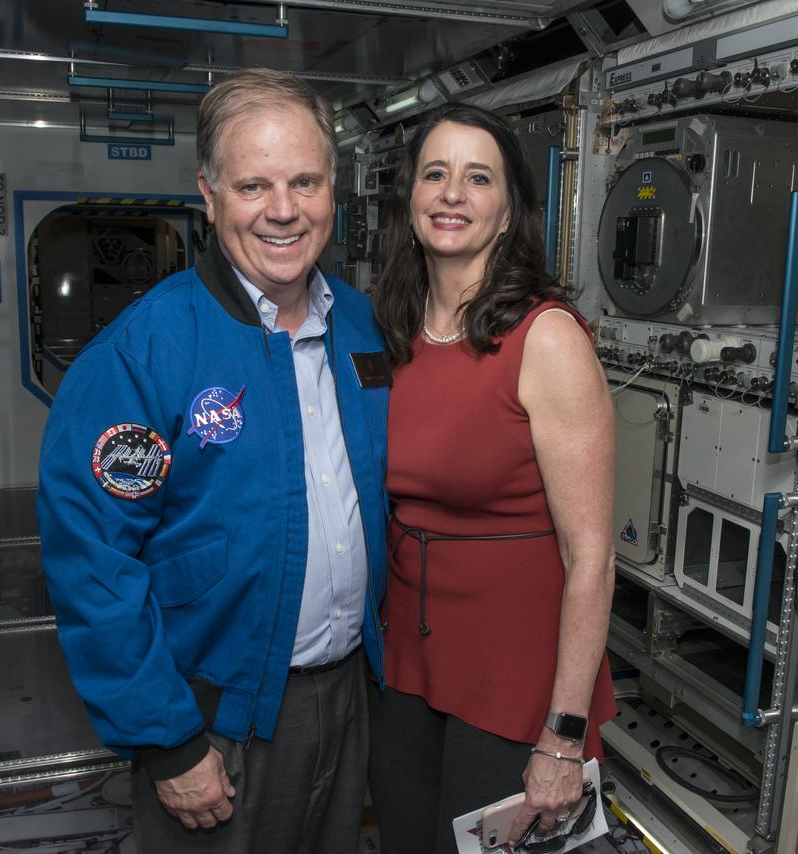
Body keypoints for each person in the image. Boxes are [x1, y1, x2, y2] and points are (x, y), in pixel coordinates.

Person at [37, 68, 390, 854]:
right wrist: (168, 741)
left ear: (334, 188)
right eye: (253, 185)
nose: (283, 210)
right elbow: (93, 561)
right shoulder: (145, 352)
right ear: (209, 194)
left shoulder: (361, 329)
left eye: (305, 181)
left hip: (348, 698)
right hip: (217, 722)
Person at [368, 102, 617, 854]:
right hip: (409, 663)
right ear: (410, 200)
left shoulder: (545, 339)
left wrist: (563, 736)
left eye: (479, 179)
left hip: (515, 678)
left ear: (508, 213)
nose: (452, 194)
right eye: (435, 174)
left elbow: (593, 558)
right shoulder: (391, 328)